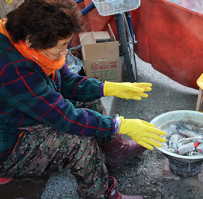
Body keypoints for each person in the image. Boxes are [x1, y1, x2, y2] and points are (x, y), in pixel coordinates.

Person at [0, 0, 166, 198]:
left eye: (67, 43)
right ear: (30, 40)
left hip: (24, 114)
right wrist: (120, 124)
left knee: (91, 101)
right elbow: (65, 118)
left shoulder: (37, 47)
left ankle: (116, 150)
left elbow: (67, 82)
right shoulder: (12, 69)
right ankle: (103, 194)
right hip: (9, 144)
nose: (65, 52)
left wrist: (107, 88)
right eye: (62, 46)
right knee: (78, 141)